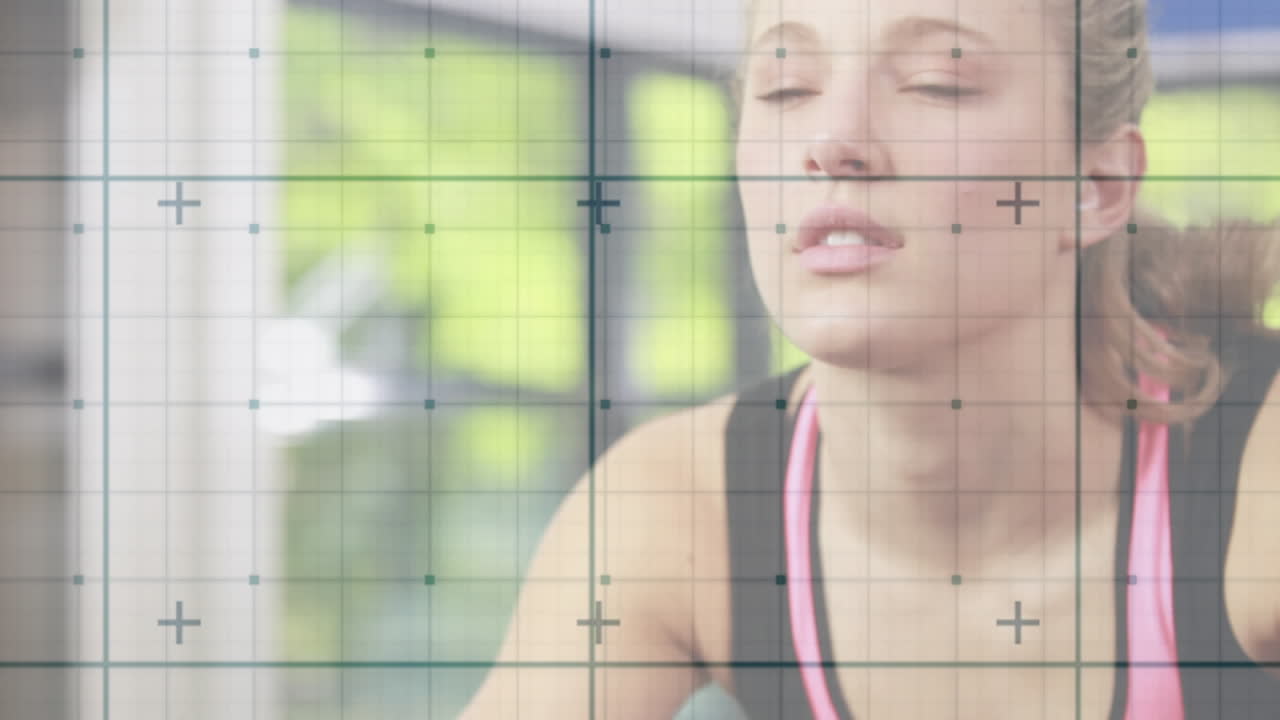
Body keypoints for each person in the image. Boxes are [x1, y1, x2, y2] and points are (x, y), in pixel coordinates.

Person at [460, 0, 1280, 717]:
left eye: (936, 82)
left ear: (1094, 184)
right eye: (787, 87)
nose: (834, 141)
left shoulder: (1257, 469)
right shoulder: (677, 509)